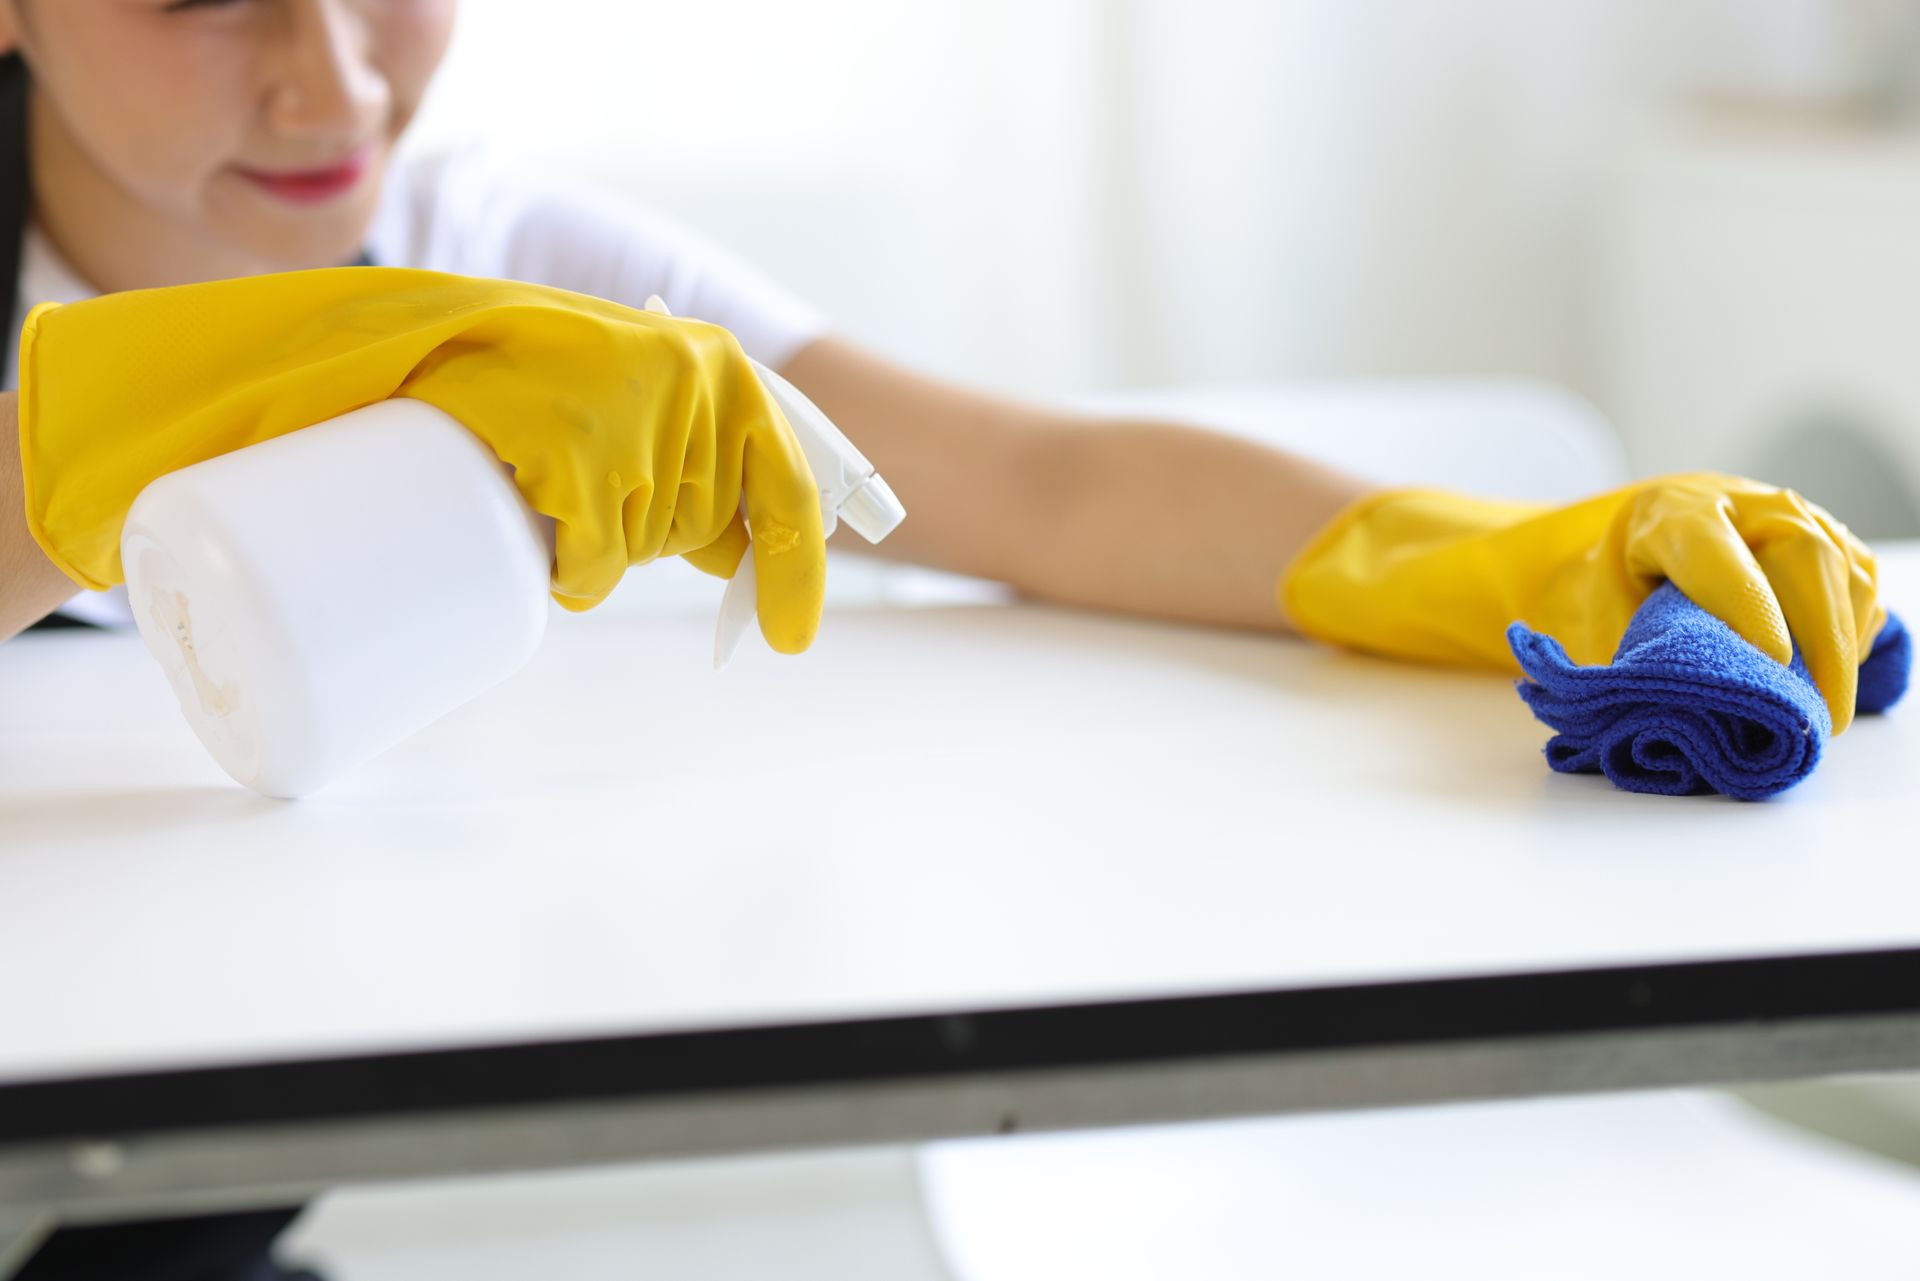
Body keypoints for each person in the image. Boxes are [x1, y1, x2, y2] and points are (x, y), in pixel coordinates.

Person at [0, 2, 1888, 1278]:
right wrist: (157, 414)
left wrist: (1493, 562)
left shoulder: (498, 260)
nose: (331, 86)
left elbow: (1033, 484)